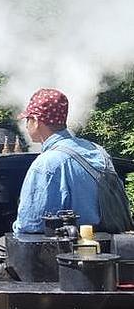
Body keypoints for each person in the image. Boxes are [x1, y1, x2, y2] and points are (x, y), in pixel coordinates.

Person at [12, 88, 112, 233]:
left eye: (28, 120)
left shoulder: (46, 164)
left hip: (72, 250)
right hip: (112, 244)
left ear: (36, 121)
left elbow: (31, 225)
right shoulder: (99, 151)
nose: (26, 125)